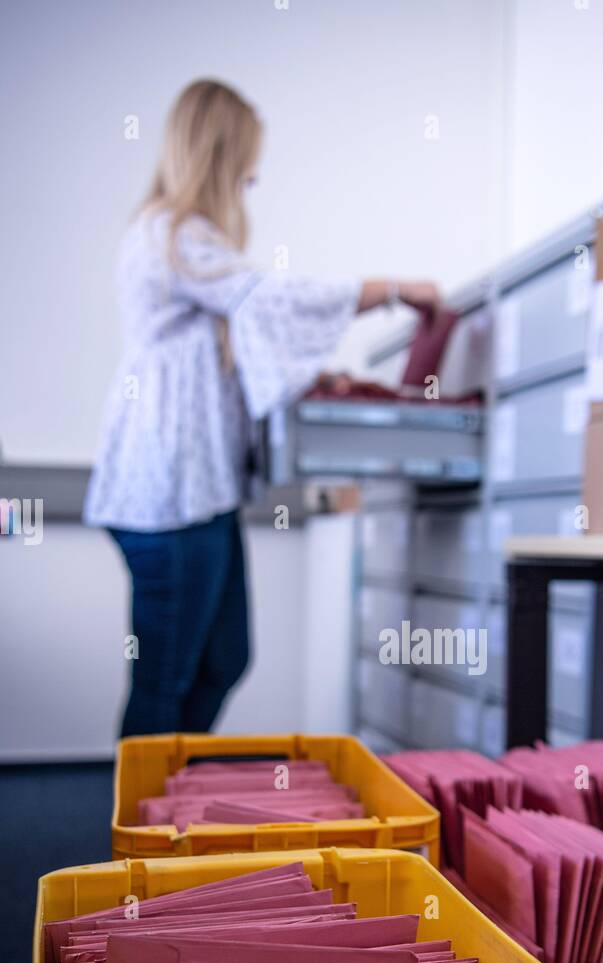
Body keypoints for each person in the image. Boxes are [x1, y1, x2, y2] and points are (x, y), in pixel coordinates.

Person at [84, 78, 440, 737]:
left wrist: (320, 376)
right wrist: (393, 289)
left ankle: (172, 802)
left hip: (202, 493)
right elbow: (274, 298)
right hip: (167, 495)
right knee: (165, 678)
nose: (250, 184)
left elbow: (242, 352)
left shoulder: (190, 247)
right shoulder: (167, 234)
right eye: (246, 171)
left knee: (224, 659)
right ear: (219, 157)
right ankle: (146, 830)